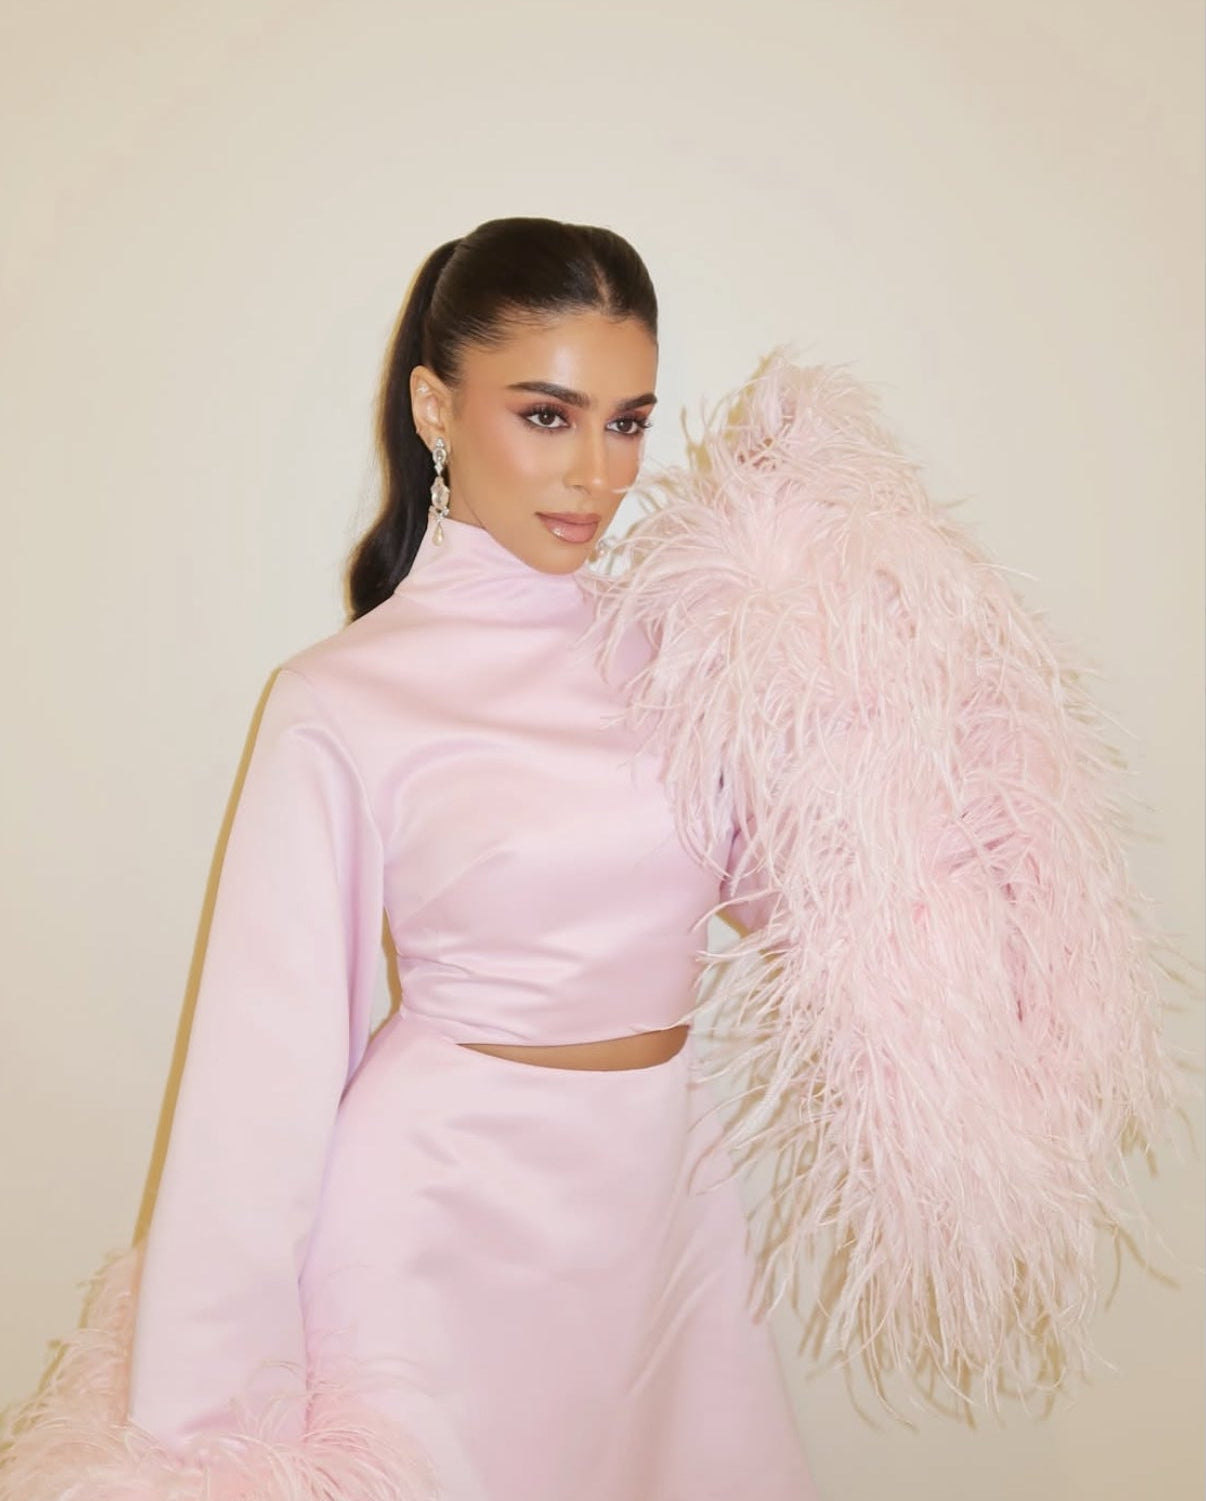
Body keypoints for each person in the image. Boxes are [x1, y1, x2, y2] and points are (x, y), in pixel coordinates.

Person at [0, 215, 1174, 1500]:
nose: (599, 476)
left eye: (626, 422)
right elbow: (258, 1074)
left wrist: (860, 651)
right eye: (548, 415)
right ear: (435, 408)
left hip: (661, 1202)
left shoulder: (682, 652)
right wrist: (201, 1430)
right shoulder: (343, 700)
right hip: (443, 1219)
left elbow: (818, 906)